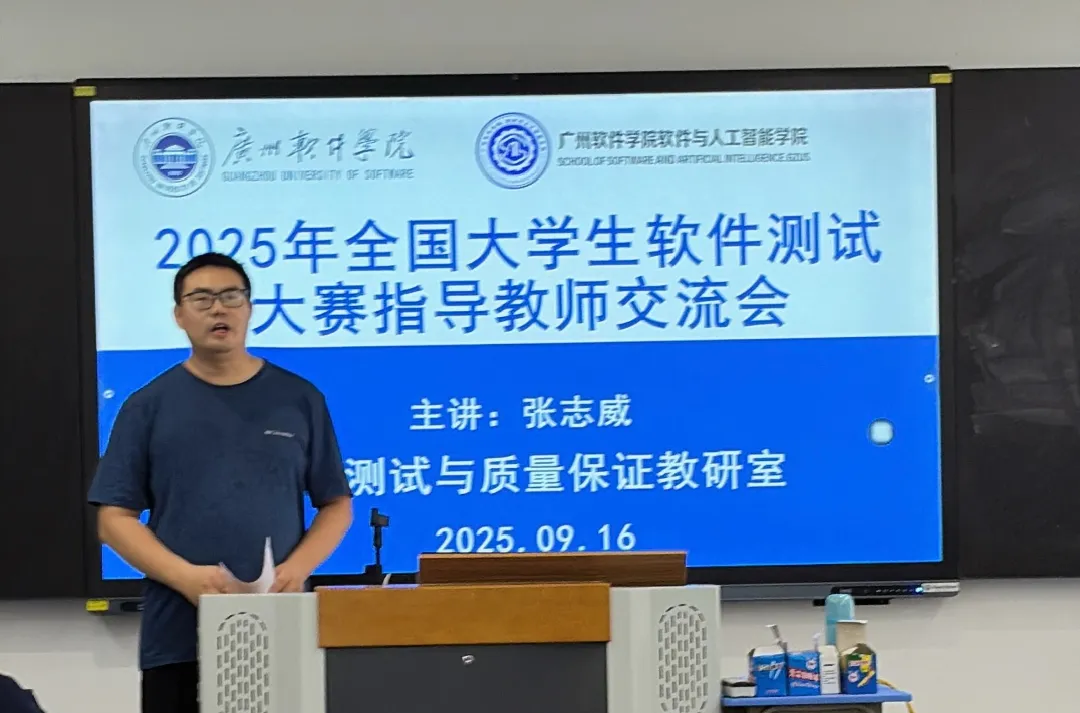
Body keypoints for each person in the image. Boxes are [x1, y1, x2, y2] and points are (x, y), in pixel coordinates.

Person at [88, 252, 354, 713]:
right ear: (179, 315)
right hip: (179, 635)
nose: (218, 309)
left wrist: (297, 569)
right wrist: (185, 577)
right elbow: (113, 519)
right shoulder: (147, 406)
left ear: (249, 309)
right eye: (202, 299)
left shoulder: (299, 398)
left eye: (231, 296)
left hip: (280, 627)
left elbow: (336, 503)